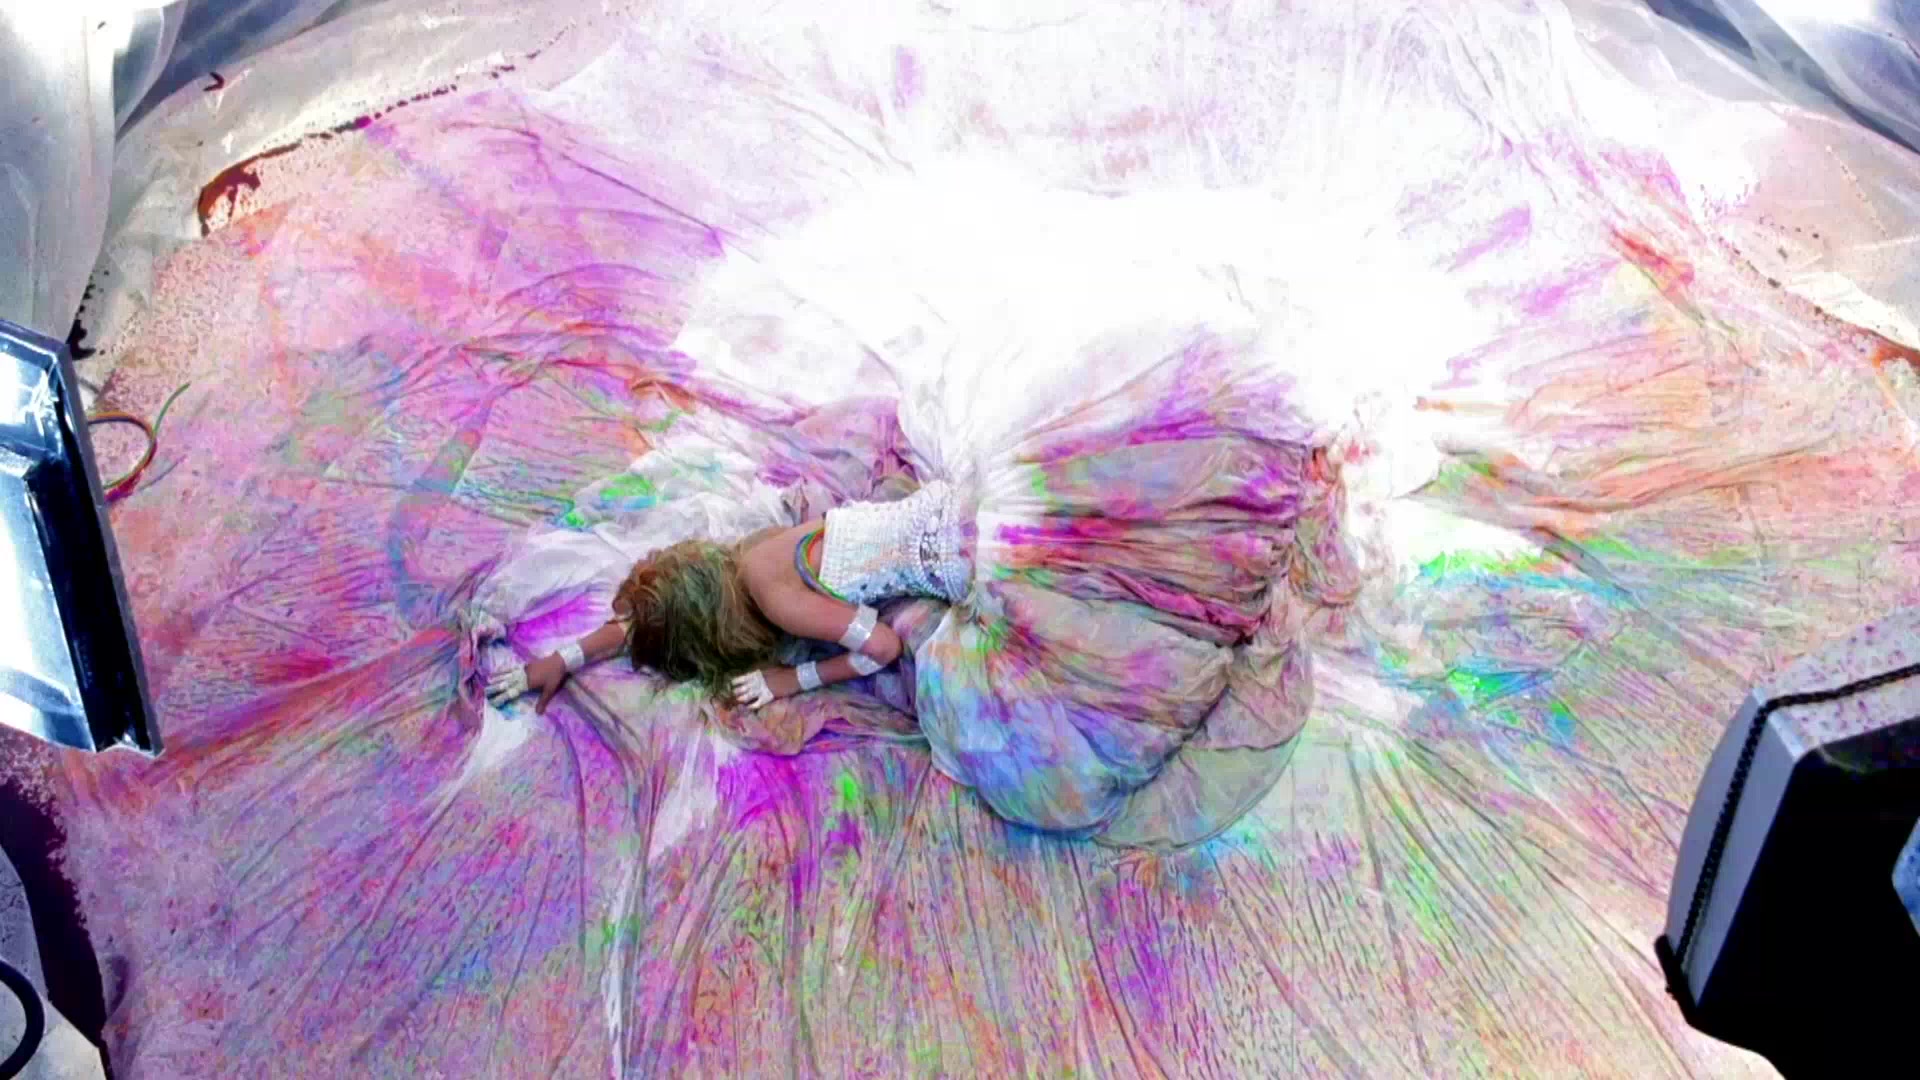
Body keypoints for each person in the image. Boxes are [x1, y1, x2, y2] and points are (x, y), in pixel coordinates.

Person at [482, 334, 1359, 844]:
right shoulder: (742, 553)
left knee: (1109, 636)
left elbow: (882, 645)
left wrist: (793, 678)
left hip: (981, 559)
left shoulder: (781, 602)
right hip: (966, 505)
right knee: (1140, 500)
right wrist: (570, 655)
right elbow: (653, 617)